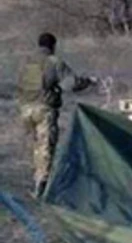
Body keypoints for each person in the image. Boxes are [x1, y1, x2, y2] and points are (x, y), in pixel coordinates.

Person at [16, 32, 95, 198]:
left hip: (25, 109)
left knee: (35, 147)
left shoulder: (26, 62)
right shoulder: (54, 62)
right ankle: (42, 187)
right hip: (44, 110)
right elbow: (71, 83)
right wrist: (88, 82)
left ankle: (36, 180)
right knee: (46, 148)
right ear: (53, 46)